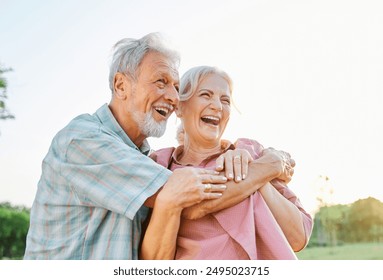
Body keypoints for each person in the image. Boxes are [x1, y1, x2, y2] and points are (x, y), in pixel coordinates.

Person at [24, 34, 296, 260]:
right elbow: (189, 198)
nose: (172, 97)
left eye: (176, 87)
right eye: (161, 82)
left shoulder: (144, 158)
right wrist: (272, 164)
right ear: (121, 85)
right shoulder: (83, 139)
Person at [141, 66, 313, 260]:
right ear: (180, 107)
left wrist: (256, 172)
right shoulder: (160, 165)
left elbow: (298, 237)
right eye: (206, 95)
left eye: (225, 100)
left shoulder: (253, 153)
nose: (217, 106)